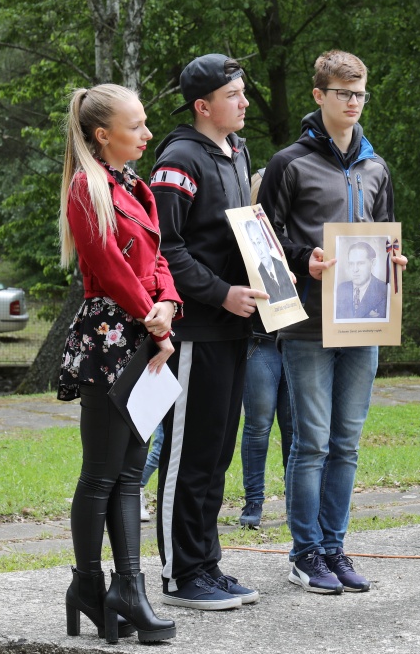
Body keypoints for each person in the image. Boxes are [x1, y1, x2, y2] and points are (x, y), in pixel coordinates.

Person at [260, 50, 407, 594]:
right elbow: (265, 240)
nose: (353, 102)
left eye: (360, 93)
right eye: (343, 93)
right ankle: (305, 554)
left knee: (347, 442)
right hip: (306, 323)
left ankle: (334, 547)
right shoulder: (288, 163)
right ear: (319, 95)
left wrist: (394, 261)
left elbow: (384, 231)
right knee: (312, 443)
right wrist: (306, 260)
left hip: (365, 322)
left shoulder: (376, 166)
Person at [57, 84, 178, 643]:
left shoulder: (135, 186)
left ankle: (128, 588)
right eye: (137, 126)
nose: (148, 134)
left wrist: (168, 304)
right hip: (110, 337)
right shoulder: (88, 187)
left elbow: (158, 260)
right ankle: (89, 585)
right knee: (102, 472)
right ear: (103, 134)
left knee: (130, 471)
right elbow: (107, 266)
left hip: (143, 331)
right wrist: (154, 320)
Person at [149, 53, 267, 610]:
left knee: (217, 455)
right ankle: (179, 575)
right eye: (233, 95)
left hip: (234, 329)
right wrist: (221, 293)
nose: (244, 102)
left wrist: (278, 271)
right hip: (195, 330)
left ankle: (205, 563)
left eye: (243, 92)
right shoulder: (178, 160)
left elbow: (243, 235)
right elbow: (165, 250)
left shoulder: (237, 151)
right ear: (202, 105)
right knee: (188, 456)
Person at [240, 171, 293, 531]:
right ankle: (254, 503)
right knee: (258, 425)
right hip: (259, 340)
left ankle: (296, 504)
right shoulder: (244, 237)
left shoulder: (296, 233)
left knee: (295, 428)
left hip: (295, 341)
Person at [245, 219, 297, 304]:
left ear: (265, 241)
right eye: (254, 244)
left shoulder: (281, 266)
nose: (259, 251)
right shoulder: (255, 273)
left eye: (259, 242)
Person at [335, 241, 390, 320]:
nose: (355, 269)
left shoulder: (384, 290)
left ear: (373, 263)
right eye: (351, 264)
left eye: (360, 263)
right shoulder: (341, 289)